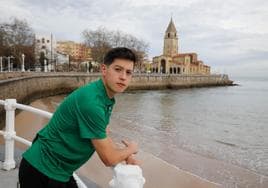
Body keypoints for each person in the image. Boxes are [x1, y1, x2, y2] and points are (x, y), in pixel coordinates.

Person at [19, 47, 140, 188]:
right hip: (42, 171)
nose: (123, 77)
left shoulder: (104, 97)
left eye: (128, 72)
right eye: (118, 69)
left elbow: (103, 132)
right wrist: (131, 149)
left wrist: (124, 155)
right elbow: (109, 159)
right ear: (104, 70)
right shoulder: (92, 103)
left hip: (59, 170)